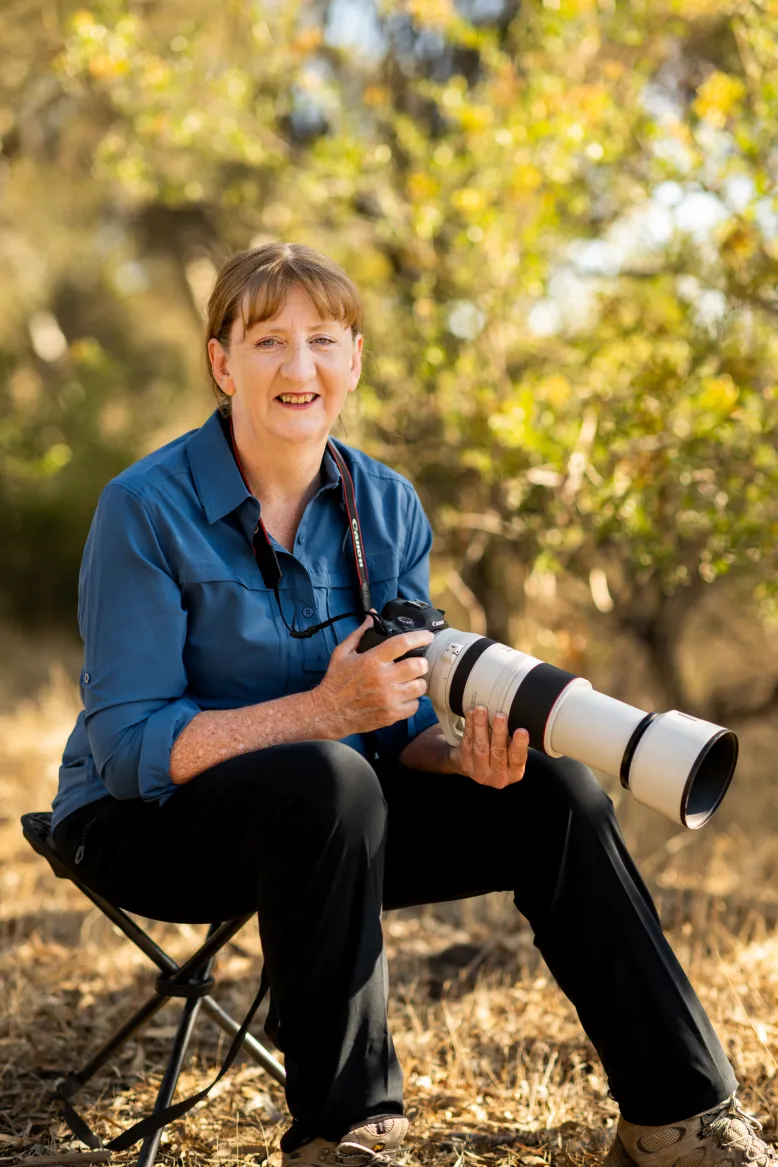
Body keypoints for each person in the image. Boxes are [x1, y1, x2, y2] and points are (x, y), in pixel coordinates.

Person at [51, 242, 772, 1167]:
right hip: (142, 823)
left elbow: (390, 733)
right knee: (325, 774)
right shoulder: (143, 508)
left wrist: (462, 753)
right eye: (268, 340)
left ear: (353, 361)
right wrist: (319, 712)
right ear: (222, 362)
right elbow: (127, 747)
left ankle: (679, 1115)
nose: (297, 366)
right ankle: (345, 1134)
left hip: (332, 819)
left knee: (555, 794)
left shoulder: (385, 505)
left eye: (323, 340)